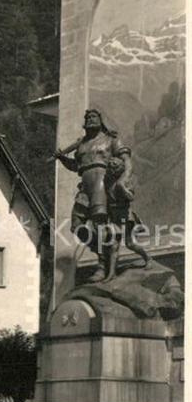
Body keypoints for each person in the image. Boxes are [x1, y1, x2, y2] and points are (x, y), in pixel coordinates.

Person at [53, 109, 133, 282]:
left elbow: (126, 160)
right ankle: (98, 251)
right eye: (87, 118)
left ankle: (102, 266)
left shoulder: (111, 139)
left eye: (94, 117)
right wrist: (62, 158)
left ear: (101, 120)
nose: (90, 120)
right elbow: (76, 166)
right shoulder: (82, 144)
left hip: (101, 182)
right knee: (76, 225)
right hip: (85, 185)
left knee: (99, 223)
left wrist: (122, 181)